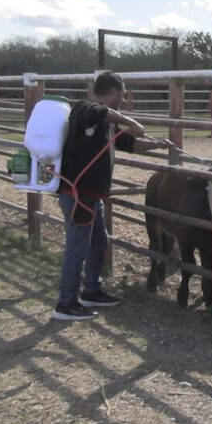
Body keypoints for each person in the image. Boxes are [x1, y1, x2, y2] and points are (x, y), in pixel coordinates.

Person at [52, 71, 173, 321]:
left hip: (91, 197)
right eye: (122, 95)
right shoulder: (86, 107)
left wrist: (158, 145)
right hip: (79, 193)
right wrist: (129, 119)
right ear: (114, 93)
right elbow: (99, 113)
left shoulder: (107, 122)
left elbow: (128, 143)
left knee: (99, 242)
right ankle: (66, 303)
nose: (123, 100)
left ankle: (92, 291)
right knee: (77, 247)